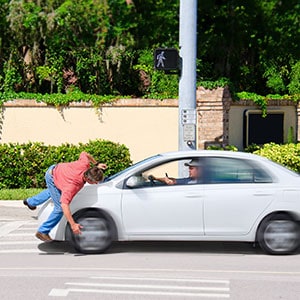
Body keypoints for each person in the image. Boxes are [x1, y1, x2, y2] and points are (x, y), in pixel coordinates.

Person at [23, 152, 107, 242]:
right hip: (52, 176)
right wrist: (73, 224)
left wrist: (96, 164)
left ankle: (30, 202)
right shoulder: (72, 186)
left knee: (53, 192)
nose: (96, 184)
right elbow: (64, 205)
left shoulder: (85, 164)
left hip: (58, 170)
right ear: (88, 179)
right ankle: (42, 231)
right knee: (59, 208)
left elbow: (84, 154)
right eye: (95, 182)